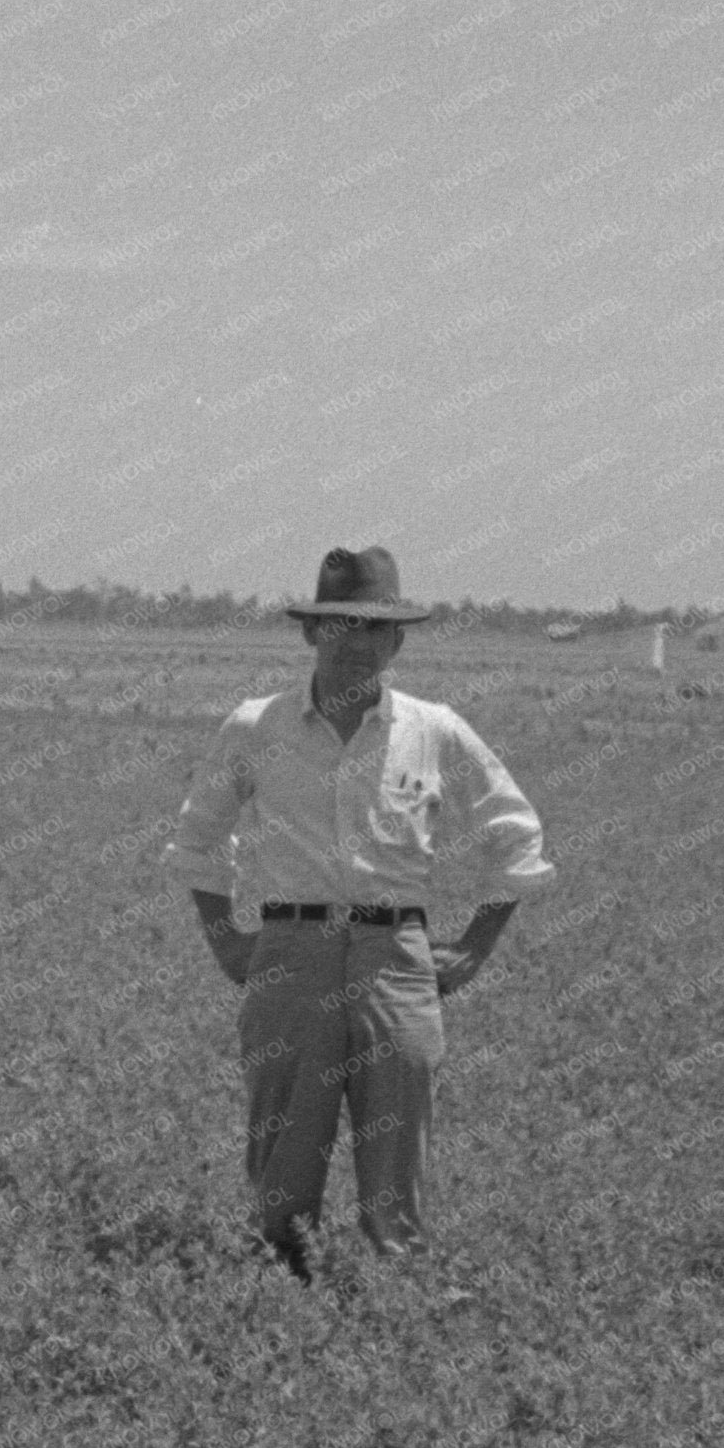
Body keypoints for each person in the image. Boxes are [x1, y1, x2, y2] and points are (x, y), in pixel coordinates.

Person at [157, 545, 556, 1277]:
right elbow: (196, 840)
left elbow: (516, 839)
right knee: (283, 1141)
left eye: (374, 629)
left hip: (395, 961)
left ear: (397, 641)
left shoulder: (433, 730)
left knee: (397, 1141)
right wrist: (226, 942)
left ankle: (397, 1290)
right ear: (311, 633)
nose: (356, 643)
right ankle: (280, 1283)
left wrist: (474, 945)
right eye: (339, 626)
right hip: (291, 954)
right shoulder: (257, 726)